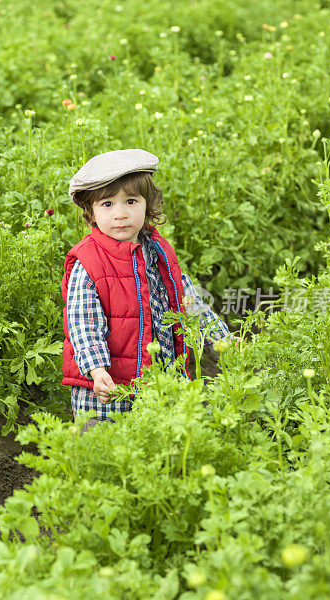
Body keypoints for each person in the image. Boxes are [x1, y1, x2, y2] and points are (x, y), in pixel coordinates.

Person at [61, 149, 232, 431]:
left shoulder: (158, 250)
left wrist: (221, 339)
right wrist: (96, 369)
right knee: (104, 446)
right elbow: (82, 323)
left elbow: (187, 299)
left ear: (147, 204)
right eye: (107, 204)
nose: (120, 214)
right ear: (90, 211)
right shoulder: (88, 262)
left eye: (131, 201)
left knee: (161, 445)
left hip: (161, 377)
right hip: (108, 387)